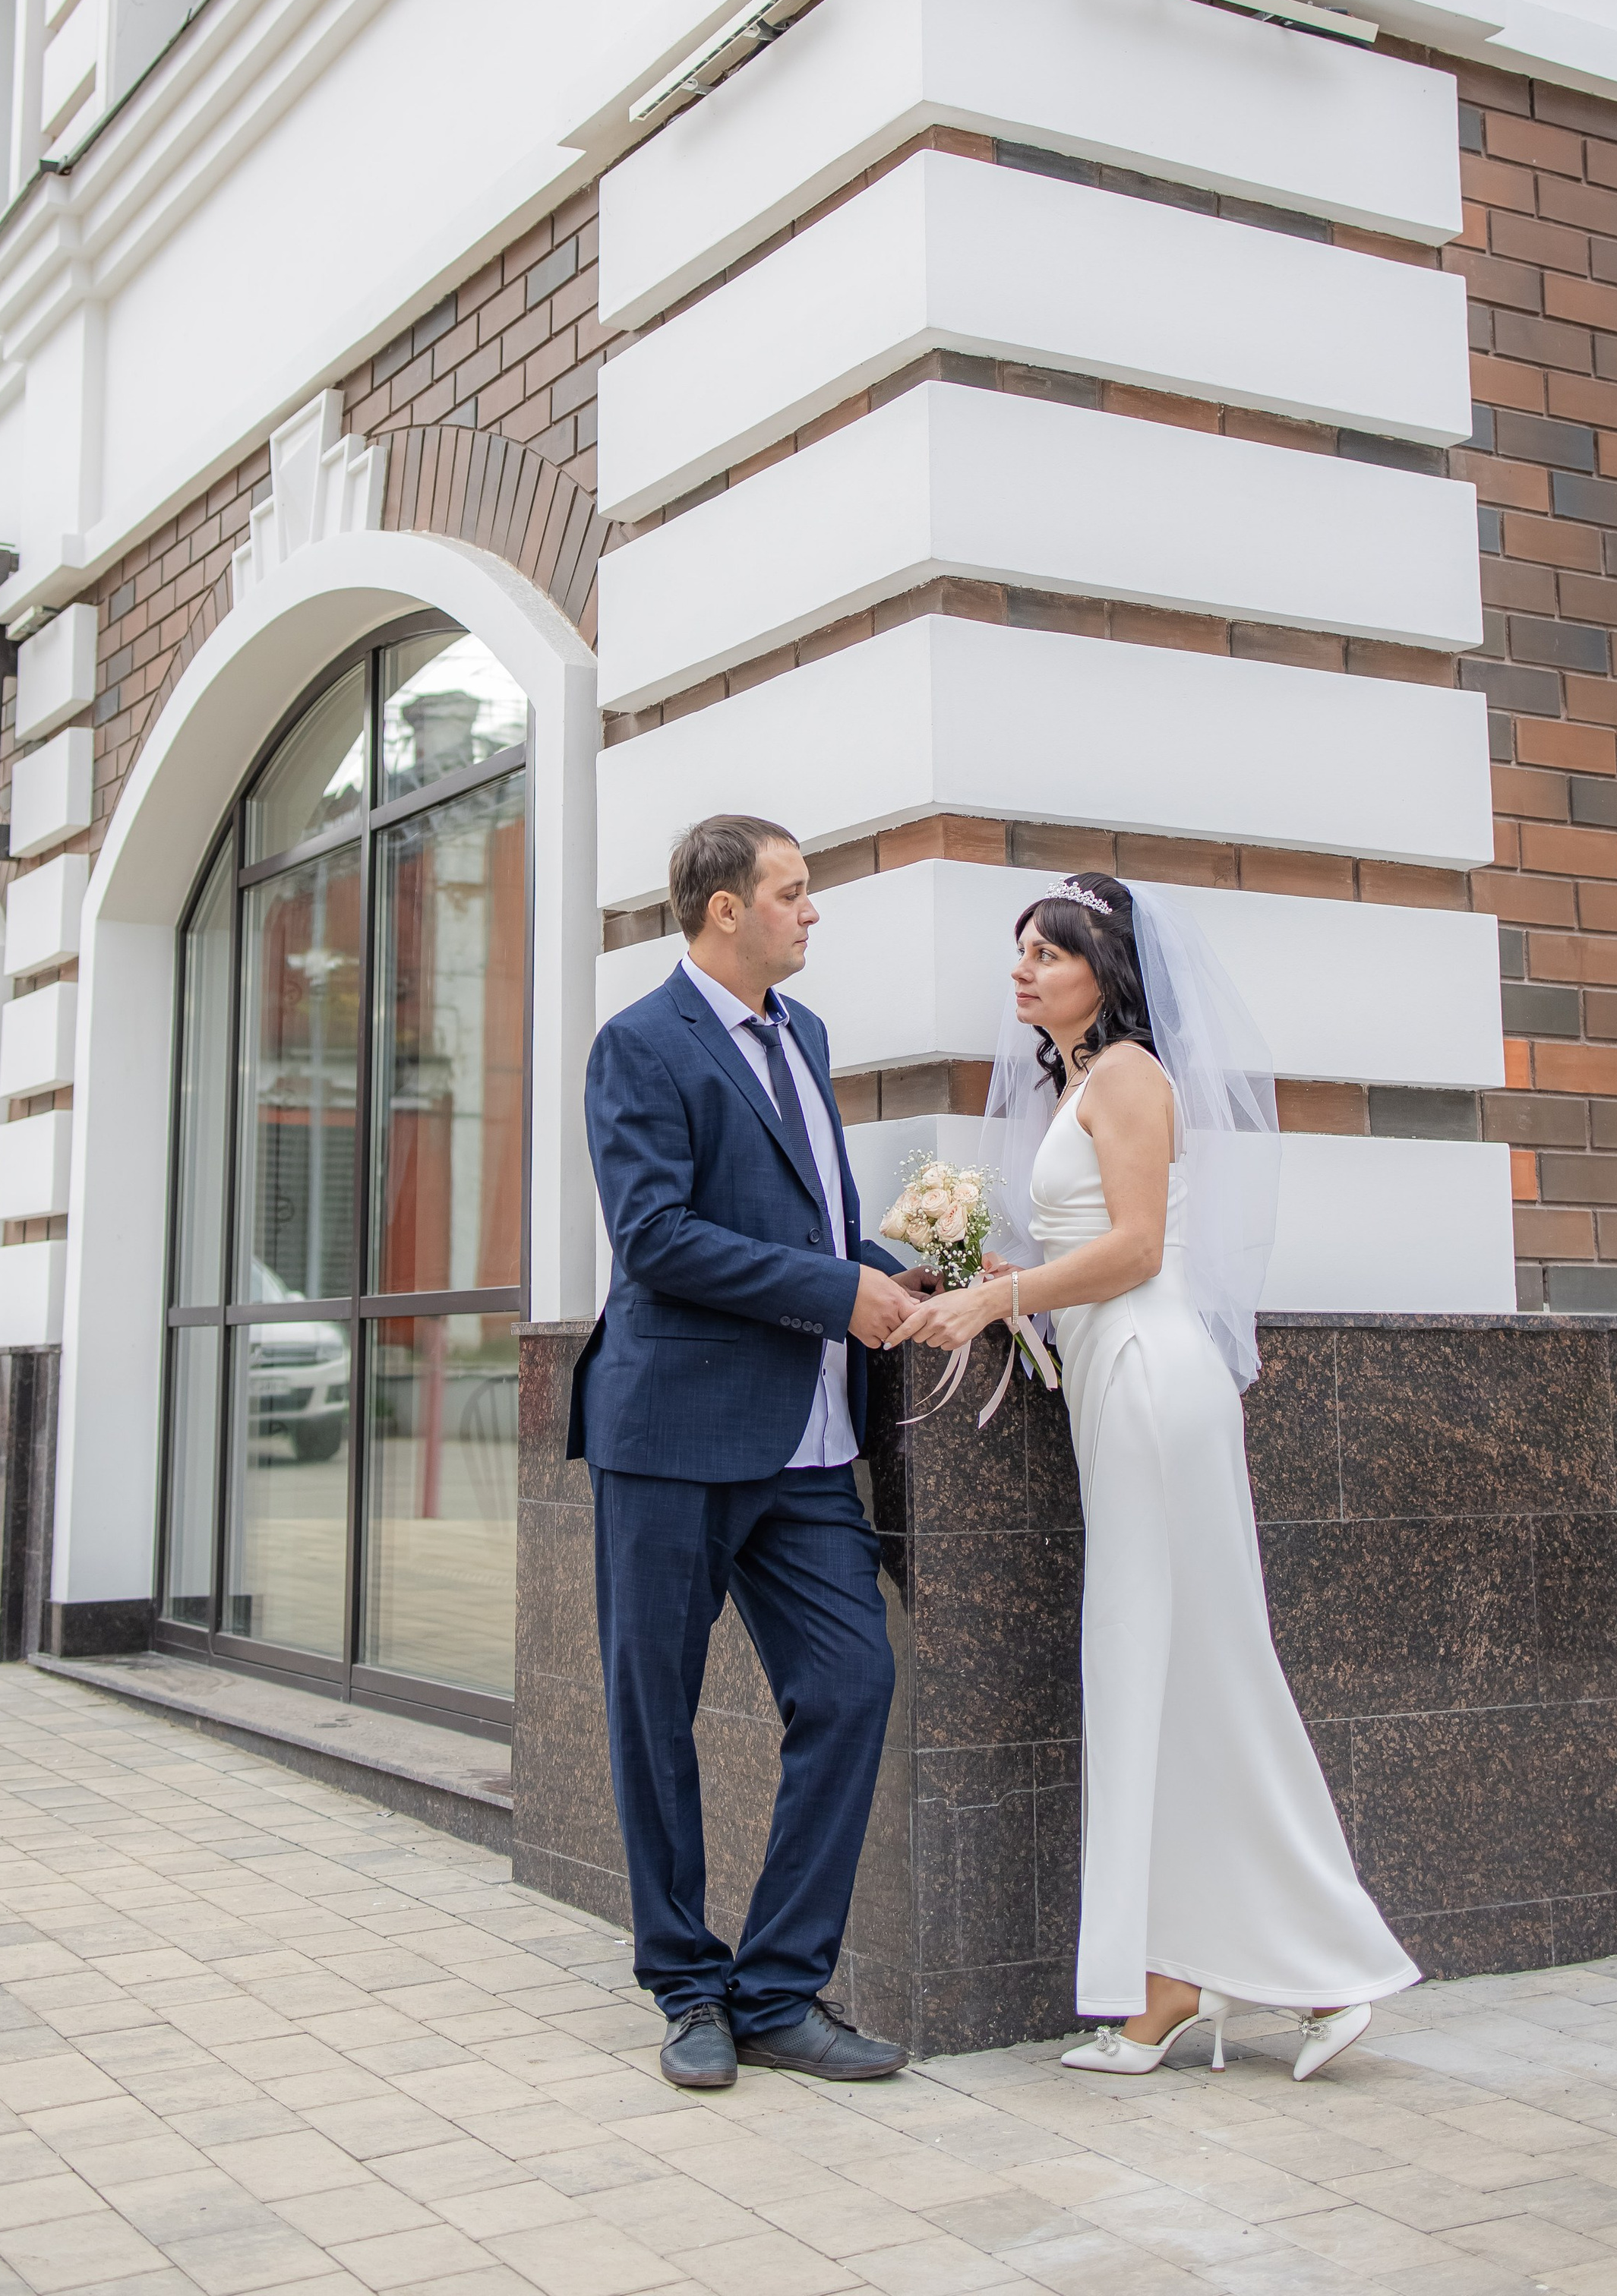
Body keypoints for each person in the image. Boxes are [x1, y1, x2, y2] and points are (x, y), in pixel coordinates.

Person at [889, 873, 1417, 2080]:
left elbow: (1131, 1250)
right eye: (1017, 952)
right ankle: (1173, 1976)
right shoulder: (1074, 1080)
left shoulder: (1128, 1073)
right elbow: (1088, 1244)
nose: (1021, 972)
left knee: (1195, 1661)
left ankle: (1315, 1968)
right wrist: (977, 1272)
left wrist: (995, 1294)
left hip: (1151, 1374)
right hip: (1112, 1378)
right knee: (1156, 1666)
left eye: (1046, 953)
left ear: (1104, 971)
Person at [573, 813, 929, 2092]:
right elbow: (656, 1238)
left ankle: (779, 1988)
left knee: (851, 1686)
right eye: (792, 891)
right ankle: (687, 1986)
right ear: (725, 909)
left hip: (809, 1450)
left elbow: (818, 1220)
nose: (810, 910)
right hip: (670, 1435)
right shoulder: (638, 1045)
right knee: (652, 1717)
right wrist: (836, 1292)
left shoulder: (806, 1037)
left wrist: (917, 1272)